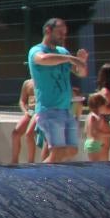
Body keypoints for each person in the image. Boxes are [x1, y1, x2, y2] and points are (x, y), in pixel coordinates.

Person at [28, 18, 89, 164]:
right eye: (60, 32)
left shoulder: (63, 52)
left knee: (71, 150)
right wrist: (70, 58)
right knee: (57, 151)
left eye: (65, 33)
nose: (63, 36)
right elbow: (43, 59)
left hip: (66, 109)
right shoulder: (36, 50)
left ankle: (46, 174)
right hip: (48, 109)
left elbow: (80, 73)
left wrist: (81, 62)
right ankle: (43, 180)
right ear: (48, 31)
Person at [10, 78, 37, 167]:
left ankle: (31, 162)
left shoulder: (44, 79)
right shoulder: (27, 83)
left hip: (41, 111)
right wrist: (25, 111)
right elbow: (22, 100)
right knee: (15, 133)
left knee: (29, 134)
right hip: (30, 112)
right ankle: (14, 162)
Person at [82, 91, 110, 161]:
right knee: (99, 167)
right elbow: (95, 132)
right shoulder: (95, 117)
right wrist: (109, 134)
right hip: (95, 144)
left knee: (98, 167)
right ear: (100, 106)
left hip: (91, 143)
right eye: (104, 105)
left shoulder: (89, 116)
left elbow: (86, 130)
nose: (105, 108)